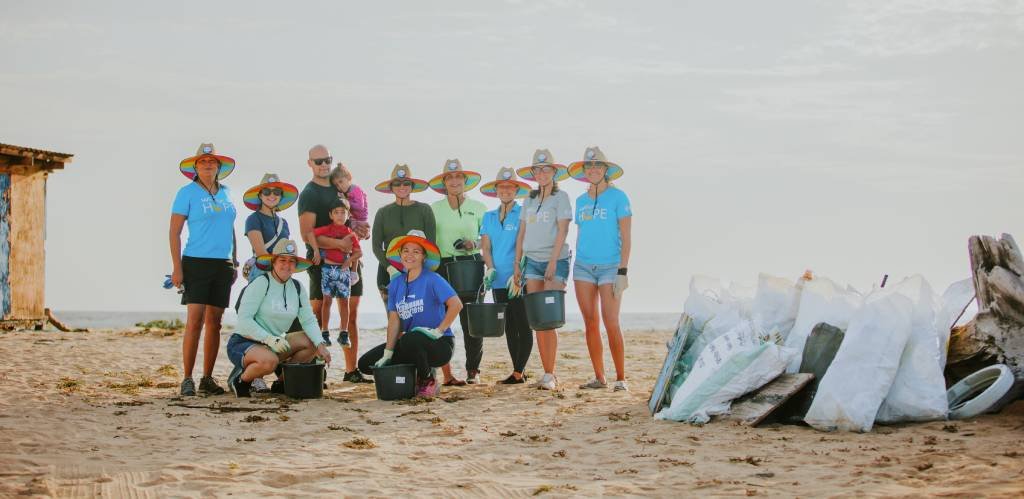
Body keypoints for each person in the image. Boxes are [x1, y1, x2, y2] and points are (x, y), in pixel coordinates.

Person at [358, 230, 463, 398]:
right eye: (406, 250)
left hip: (440, 344)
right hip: (412, 344)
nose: (410, 255)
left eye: (416, 251)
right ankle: (413, 375)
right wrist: (388, 352)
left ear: (423, 257)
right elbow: (394, 321)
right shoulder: (395, 285)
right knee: (365, 364)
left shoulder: (433, 279)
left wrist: (439, 331)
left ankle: (428, 380)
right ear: (399, 255)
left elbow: (456, 304)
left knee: (409, 338)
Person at [169, 142, 238, 396]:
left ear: (219, 166)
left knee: (215, 322)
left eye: (212, 162)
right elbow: (174, 232)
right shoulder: (186, 193)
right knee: (195, 321)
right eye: (203, 162)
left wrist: (235, 260)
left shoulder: (227, 192)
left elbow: (230, 229)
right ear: (195, 166)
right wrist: (177, 268)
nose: (208, 165)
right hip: (195, 262)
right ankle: (187, 377)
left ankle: (207, 378)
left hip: (223, 263)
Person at [226, 239, 332, 397]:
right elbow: (244, 321)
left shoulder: (297, 287)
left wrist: (321, 345)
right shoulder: (261, 283)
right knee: (269, 362)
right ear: (273, 262)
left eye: (291, 261)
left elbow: (308, 319)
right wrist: (269, 339)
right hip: (244, 342)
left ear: (295, 266)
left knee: (311, 341)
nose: (287, 265)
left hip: (275, 343)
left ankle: (282, 382)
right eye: (282, 260)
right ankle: (241, 381)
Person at [568, 147, 632, 392]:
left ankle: (620, 378)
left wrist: (622, 271)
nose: (593, 169)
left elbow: (626, 237)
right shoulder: (581, 201)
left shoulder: (619, 197)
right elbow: (582, 233)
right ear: (584, 171)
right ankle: (599, 377)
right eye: (589, 166)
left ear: (606, 170)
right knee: (591, 322)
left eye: (597, 165)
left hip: (610, 266)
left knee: (611, 321)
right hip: (583, 266)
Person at [514, 149, 573, 390]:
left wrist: (551, 261)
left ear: (553, 172)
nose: (541, 173)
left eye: (545, 169)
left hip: (555, 260)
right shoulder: (528, 199)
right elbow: (521, 234)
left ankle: (551, 374)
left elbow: (563, 230)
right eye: (537, 170)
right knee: (537, 321)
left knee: (549, 319)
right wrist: (517, 264)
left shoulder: (561, 197)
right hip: (531, 263)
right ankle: (545, 373)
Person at [429, 159, 488, 385]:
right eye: (450, 177)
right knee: (440, 319)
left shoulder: (479, 208)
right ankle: (444, 371)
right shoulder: (434, 209)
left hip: (472, 264)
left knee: (472, 320)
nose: (454, 181)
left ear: (465, 181)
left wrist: (474, 244)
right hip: (443, 266)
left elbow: (486, 241)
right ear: (444, 182)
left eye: (458, 177)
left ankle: (473, 370)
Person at [479, 167, 534, 384]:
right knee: (509, 326)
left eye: (509, 186)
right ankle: (517, 371)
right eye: (502, 186)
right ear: (496, 190)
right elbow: (486, 247)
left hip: (519, 278)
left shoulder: (523, 213)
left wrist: (518, 270)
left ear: (516, 189)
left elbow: (525, 244)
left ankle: (519, 371)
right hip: (499, 280)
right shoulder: (488, 216)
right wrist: (490, 269)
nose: (505, 190)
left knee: (523, 324)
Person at [298, 145, 354, 347]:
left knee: (349, 312)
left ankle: (351, 369)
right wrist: (338, 244)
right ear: (310, 163)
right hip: (320, 260)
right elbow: (306, 234)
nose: (324, 165)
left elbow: (349, 216)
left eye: (327, 160)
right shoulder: (309, 193)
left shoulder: (338, 186)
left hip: (347, 260)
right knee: (318, 312)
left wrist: (359, 227)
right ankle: (315, 367)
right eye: (318, 161)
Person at [370, 164, 435, 303]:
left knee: (415, 317)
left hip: (417, 270)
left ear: (411, 186)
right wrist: (390, 268)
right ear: (391, 187)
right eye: (397, 183)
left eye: (406, 183)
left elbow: (431, 246)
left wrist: (419, 271)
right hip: (388, 271)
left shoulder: (425, 210)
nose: (402, 187)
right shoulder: (382, 213)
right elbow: (376, 247)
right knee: (393, 318)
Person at [313, 197, 362, 351]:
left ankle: (343, 333)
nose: (340, 215)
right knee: (327, 301)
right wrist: (315, 250)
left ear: (348, 215)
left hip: (343, 271)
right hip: (328, 269)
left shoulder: (350, 233)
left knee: (344, 302)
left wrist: (349, 262)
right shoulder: (327, 229)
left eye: (343, 212)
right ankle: (325, 332)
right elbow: (310, 235)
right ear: (331, 215)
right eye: (336, 212)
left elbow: (359, 252)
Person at [242, 173, 297, 283]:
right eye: (267, 192)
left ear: (281, 196)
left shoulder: (284, 223)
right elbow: (261, 253)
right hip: (261, 273)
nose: (272, 195)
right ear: (260, 195)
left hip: (282, 273)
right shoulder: (253, 219)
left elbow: (286, 252)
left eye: (276, 192)